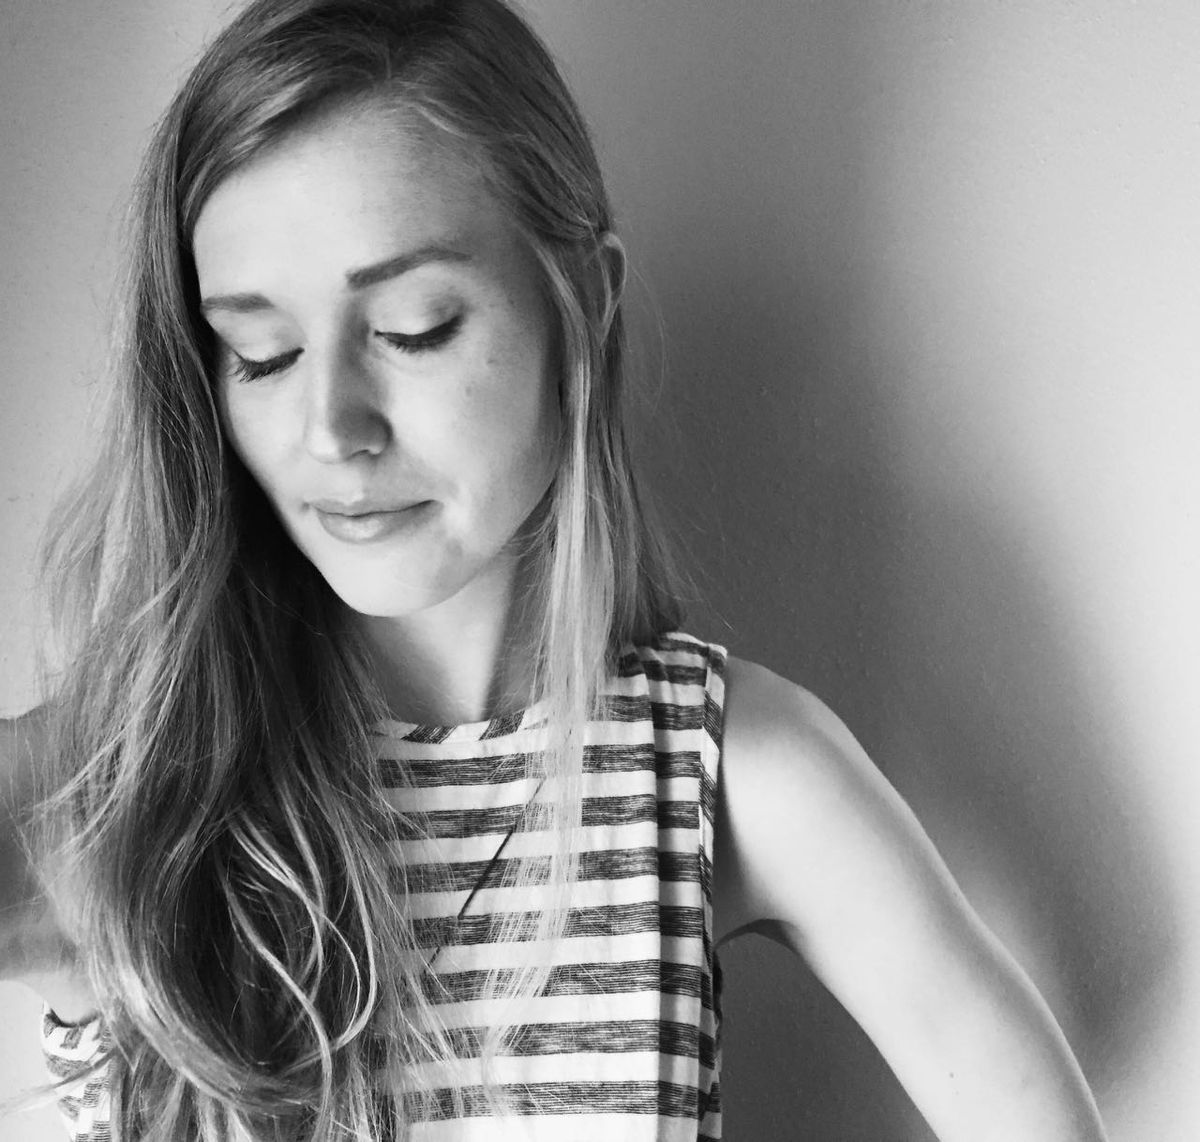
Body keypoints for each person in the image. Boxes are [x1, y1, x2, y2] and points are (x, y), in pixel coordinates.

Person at [0, 0, 1110, 1139]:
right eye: (261, 353)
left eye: (414, 327)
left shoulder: (726, 773)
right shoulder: (102, 795)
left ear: (583, 304)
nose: (330, 428)